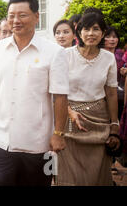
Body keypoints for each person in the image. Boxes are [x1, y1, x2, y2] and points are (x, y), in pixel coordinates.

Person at [0, 0, 69, 186]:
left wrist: (59, 134)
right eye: (11, 15)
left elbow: (61, 96)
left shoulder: (54, 52)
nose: (15, 20)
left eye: (22, 15)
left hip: (40, 143)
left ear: (37, 16)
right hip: (0, 139)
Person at [56, 12, 120, 185]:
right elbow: (56, 91)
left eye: (96, 29)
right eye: (86, 29)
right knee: (68, 170)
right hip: (69, 118)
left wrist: (114, 125)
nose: (91, 33)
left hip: (99, 119)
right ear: (79, 31)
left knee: (97, 170)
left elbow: (112, 92)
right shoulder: (65, 55)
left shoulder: (108, 58)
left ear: (103, 32)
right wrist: (69, 112)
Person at [103, 26, 125, 120]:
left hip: (121, 95)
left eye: (114, 36)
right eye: (108, 36)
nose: (112, 39)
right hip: (103, 96)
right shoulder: (99, 55)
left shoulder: (121, 54)